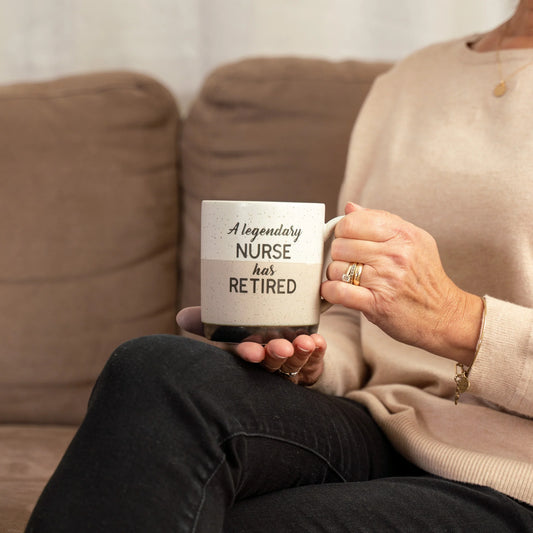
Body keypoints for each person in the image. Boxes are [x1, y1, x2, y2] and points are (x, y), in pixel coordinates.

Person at [26, 2, 533, 532]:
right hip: (384, 423)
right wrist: (306, 355)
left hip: (515, 474)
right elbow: (353, 301)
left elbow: (432, 312)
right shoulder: (411, 80)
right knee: (158, 368)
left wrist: (454, 319)